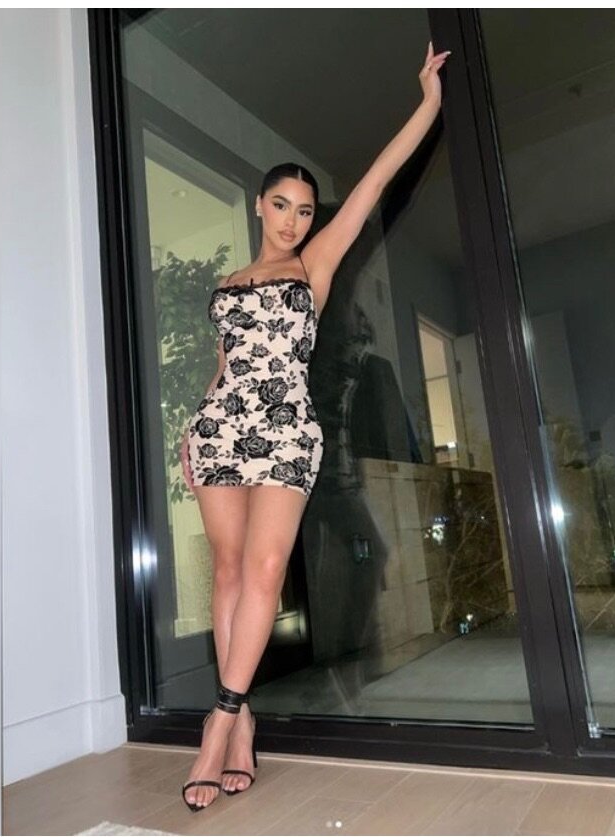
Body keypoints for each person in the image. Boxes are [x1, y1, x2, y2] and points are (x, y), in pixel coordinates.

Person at [178, 39, 451, 812]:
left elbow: (374, 181)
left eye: (304, 209)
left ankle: (219, 719)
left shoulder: (314, 266)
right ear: (258, 205)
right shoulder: (229, 282)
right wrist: (193, 433)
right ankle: (243, 720)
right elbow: (225, 367)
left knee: (266, 571)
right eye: (282, 206)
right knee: (227, 573)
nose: (294, 220)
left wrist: (428, 102)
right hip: (221, 429)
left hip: (288, 433)